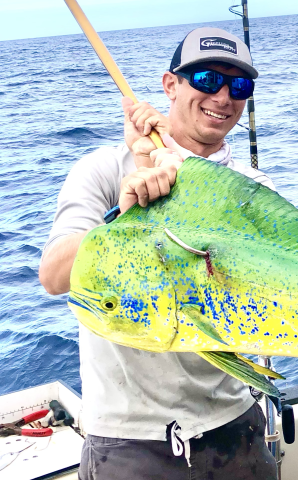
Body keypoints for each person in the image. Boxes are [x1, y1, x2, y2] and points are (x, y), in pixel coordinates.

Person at [39, 27, 277, 480]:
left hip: (235, 428)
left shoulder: (254, 191)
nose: (224, 97)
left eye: (239, 86)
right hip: (129, 443)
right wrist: (124, 214)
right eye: (207, 80)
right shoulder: (104, 170)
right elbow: (53, 276)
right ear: (171, 85)